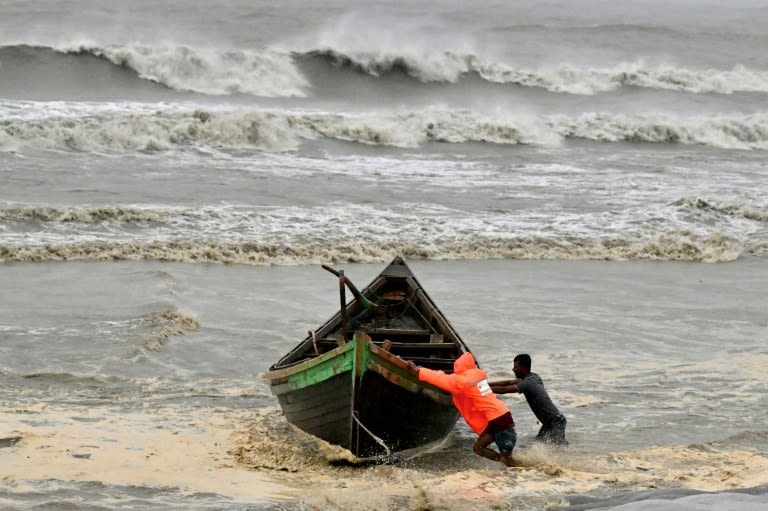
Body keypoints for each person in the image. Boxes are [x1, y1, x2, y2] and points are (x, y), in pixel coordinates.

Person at [408, 352, 517, 467]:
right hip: (499, 415)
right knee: (478, 448)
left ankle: (518, 471)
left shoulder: (464, 381)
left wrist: (418, 370)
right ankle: (510, 467)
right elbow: (447, 378)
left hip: (498, 419)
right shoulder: (477, 376)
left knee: (507, 457)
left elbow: (442, 379)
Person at [489, 354, 568, 446]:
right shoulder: (533, 377)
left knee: (556, 448)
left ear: (524, 368)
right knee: (540, 445)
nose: (513, 369)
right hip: (551, 421)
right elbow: (508, 383)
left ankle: (577, 457)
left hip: (555, 421)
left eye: (516, 367)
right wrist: (484, 384)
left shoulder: (528, 383)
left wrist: (481, 388)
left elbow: (504, 390)